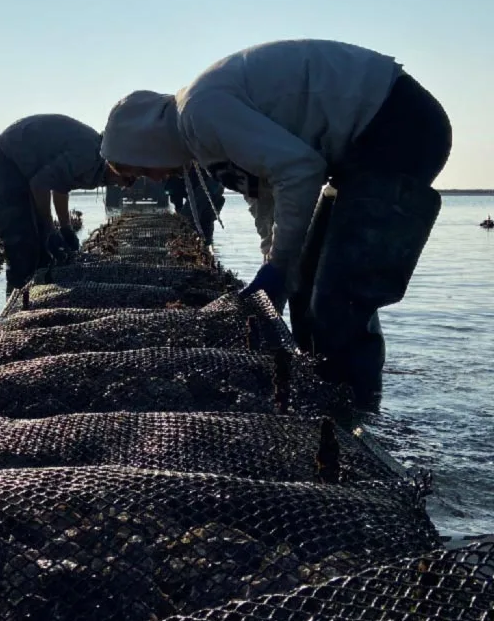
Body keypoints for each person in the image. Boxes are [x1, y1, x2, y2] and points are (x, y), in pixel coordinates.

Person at [100, 39, 452, 404]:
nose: (153, 180)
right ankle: (321, 386)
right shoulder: (200, 138)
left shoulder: (200, 113)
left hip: (397, 125)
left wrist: (278, 267)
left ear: (144, 143)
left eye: (141, 169)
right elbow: (265, 197)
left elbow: (299, 170)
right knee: (304, 286)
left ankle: (356, 414)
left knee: (340, 296)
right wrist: (276, 266)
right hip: (355, 152)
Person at [0, 113, 126, 287]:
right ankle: (18, 290)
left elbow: (61, 186)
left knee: (43, 249)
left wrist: (66, 228)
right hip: (8, 158)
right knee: (23, 238)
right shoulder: (88, 155)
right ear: (119, 164)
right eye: (129, 179)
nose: (125, 187)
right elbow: (40, 184)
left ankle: (38, 284)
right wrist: (49, 227)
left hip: (30, 164)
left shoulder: (96, 163)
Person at [165, 168, 225, 243]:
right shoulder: (175, 180)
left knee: (196, 218)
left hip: (211, 186)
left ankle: (205, 242)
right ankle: (203, 242)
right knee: (197, 219)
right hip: (211, 186)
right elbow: (177, 201)